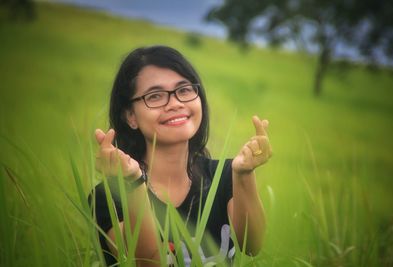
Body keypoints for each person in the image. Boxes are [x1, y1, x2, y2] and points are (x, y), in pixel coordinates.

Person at [89, 45, 272, 266]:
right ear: (130, 116)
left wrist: (243, 175)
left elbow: (252, 246)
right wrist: (133, 183)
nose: (175, 103)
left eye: (184, 90)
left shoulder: (224, 176)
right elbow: (145, 263)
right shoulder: (108, 196)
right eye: (155, 96)